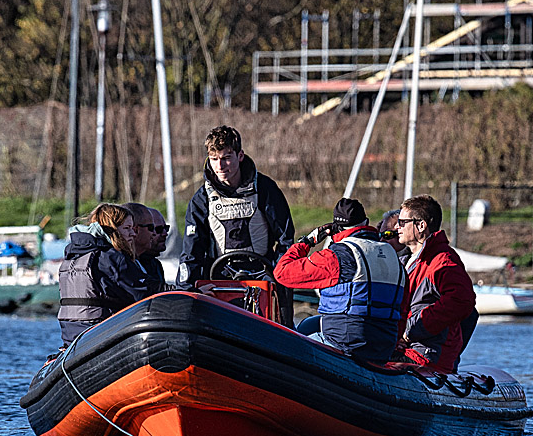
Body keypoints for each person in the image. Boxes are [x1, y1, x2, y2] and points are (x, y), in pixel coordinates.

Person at [177, 125, 295, 325]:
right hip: (219, 281)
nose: (220, 166)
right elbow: (192, 249)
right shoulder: (202, 198)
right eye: (214, 159)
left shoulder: (265, 189)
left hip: (262, 279)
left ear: (240, 156)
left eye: (226, 158)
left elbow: (286, 238)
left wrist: (276, 274)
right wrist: (190, 289)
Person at [274, 198, 406, 363]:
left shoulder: (338, 256)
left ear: (335, 228)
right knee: (310, 324)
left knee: (289, 345)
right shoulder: (393, 256)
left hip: (346, 344)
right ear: (366, 223)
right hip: (384, 347)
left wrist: (307, 242)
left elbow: (282, 273)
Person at [391, 195, 476, 374]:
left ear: (420, 225)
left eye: (402, 221)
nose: (396, 227)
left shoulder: (442, 261)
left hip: (425, 357)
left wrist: (411, 331)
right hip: (404, 350)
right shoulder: (406, 260)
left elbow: (462, 301)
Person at [56, 203, 149, 348]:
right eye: (127, 228)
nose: (133, 234)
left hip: (71, 336)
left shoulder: (72, 255)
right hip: (98, 335)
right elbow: (142, 292)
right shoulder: (111, 258)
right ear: (113, 230)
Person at [123, 202, 169, 294]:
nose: (165, 233)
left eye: (166, 228)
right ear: (135, 229)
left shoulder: (154, 265)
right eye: (154, 228)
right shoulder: (121, 262)